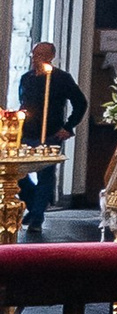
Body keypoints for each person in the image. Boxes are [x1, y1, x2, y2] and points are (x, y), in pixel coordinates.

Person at [14, 41, 84, 237]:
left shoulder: (61, 78)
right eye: (34, 54)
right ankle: (35, 204)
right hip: (26, 133)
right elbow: (24, 102)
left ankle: (37, 217)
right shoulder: (26, 78)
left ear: (51, 57)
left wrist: (68, 127)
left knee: (46, 174)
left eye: (41, 55)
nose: (36, 59)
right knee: (17, 174)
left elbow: (80, 103)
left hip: (51, 133)